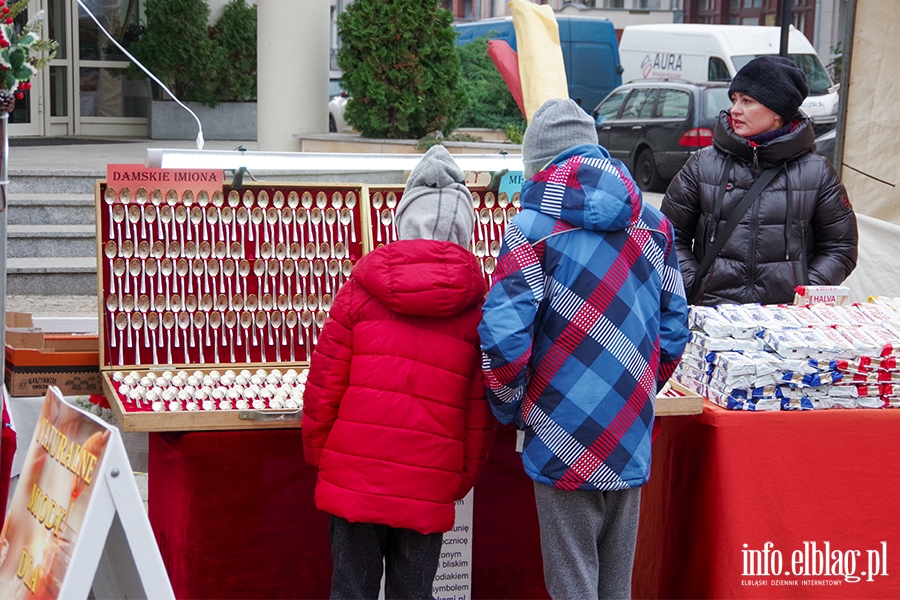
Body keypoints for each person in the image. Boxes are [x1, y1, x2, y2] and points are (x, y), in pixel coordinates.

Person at [478, 98, 690, 600]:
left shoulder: (531, 230)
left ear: (538, 164)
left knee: (571, 582)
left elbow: (503, 339)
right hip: (629, 424)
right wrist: (639, 387)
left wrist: (510, 406)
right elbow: (676, 326)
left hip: (559, 428)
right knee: (617, 584)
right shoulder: (654, 226)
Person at [302, 144, 497, 600]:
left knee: (351, 591)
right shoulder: (477, 311)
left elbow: (324, 384)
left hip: (353, 476)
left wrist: (320, 454)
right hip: (428, 483)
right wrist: (459, 478)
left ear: (403, 222)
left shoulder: (359, 292)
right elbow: (477, 414)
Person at [661, 55, 858, 306]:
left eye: (747, 101)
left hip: (786, 323)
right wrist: (693, 285)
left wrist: (804, 294)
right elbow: (667, 235)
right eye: (734, 99)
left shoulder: (817, 172)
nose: (735, 109)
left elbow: (840, 248)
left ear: (778, 112)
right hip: (712, 316)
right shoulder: (703, 164)